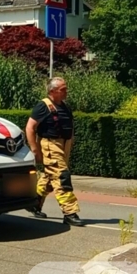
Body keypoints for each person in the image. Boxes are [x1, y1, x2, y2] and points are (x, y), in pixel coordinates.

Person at [25, 77, 83, 227]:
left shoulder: (64, 106)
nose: (66, 92)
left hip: (64, 144)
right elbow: (30, 127)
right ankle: (70, 213)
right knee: (62, 177)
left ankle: (34, 202)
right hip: (51, 145)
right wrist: (34, 149)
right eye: (63, 89)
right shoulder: (42, 106)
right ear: (52, 91)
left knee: (50, 177)